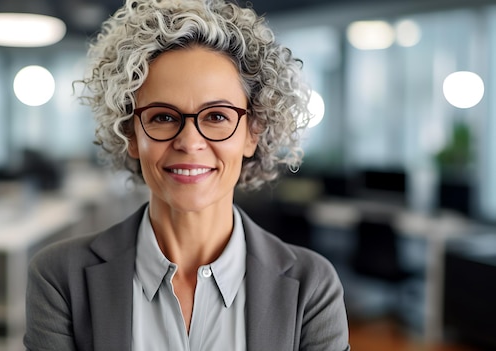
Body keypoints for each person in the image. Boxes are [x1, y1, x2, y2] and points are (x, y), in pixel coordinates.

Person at [24, 0, 350, 350]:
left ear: (252, 132)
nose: (190, 142)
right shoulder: (61, 277)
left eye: (217, 116)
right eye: (163, 117)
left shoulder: (311, 286)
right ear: (131, 134)